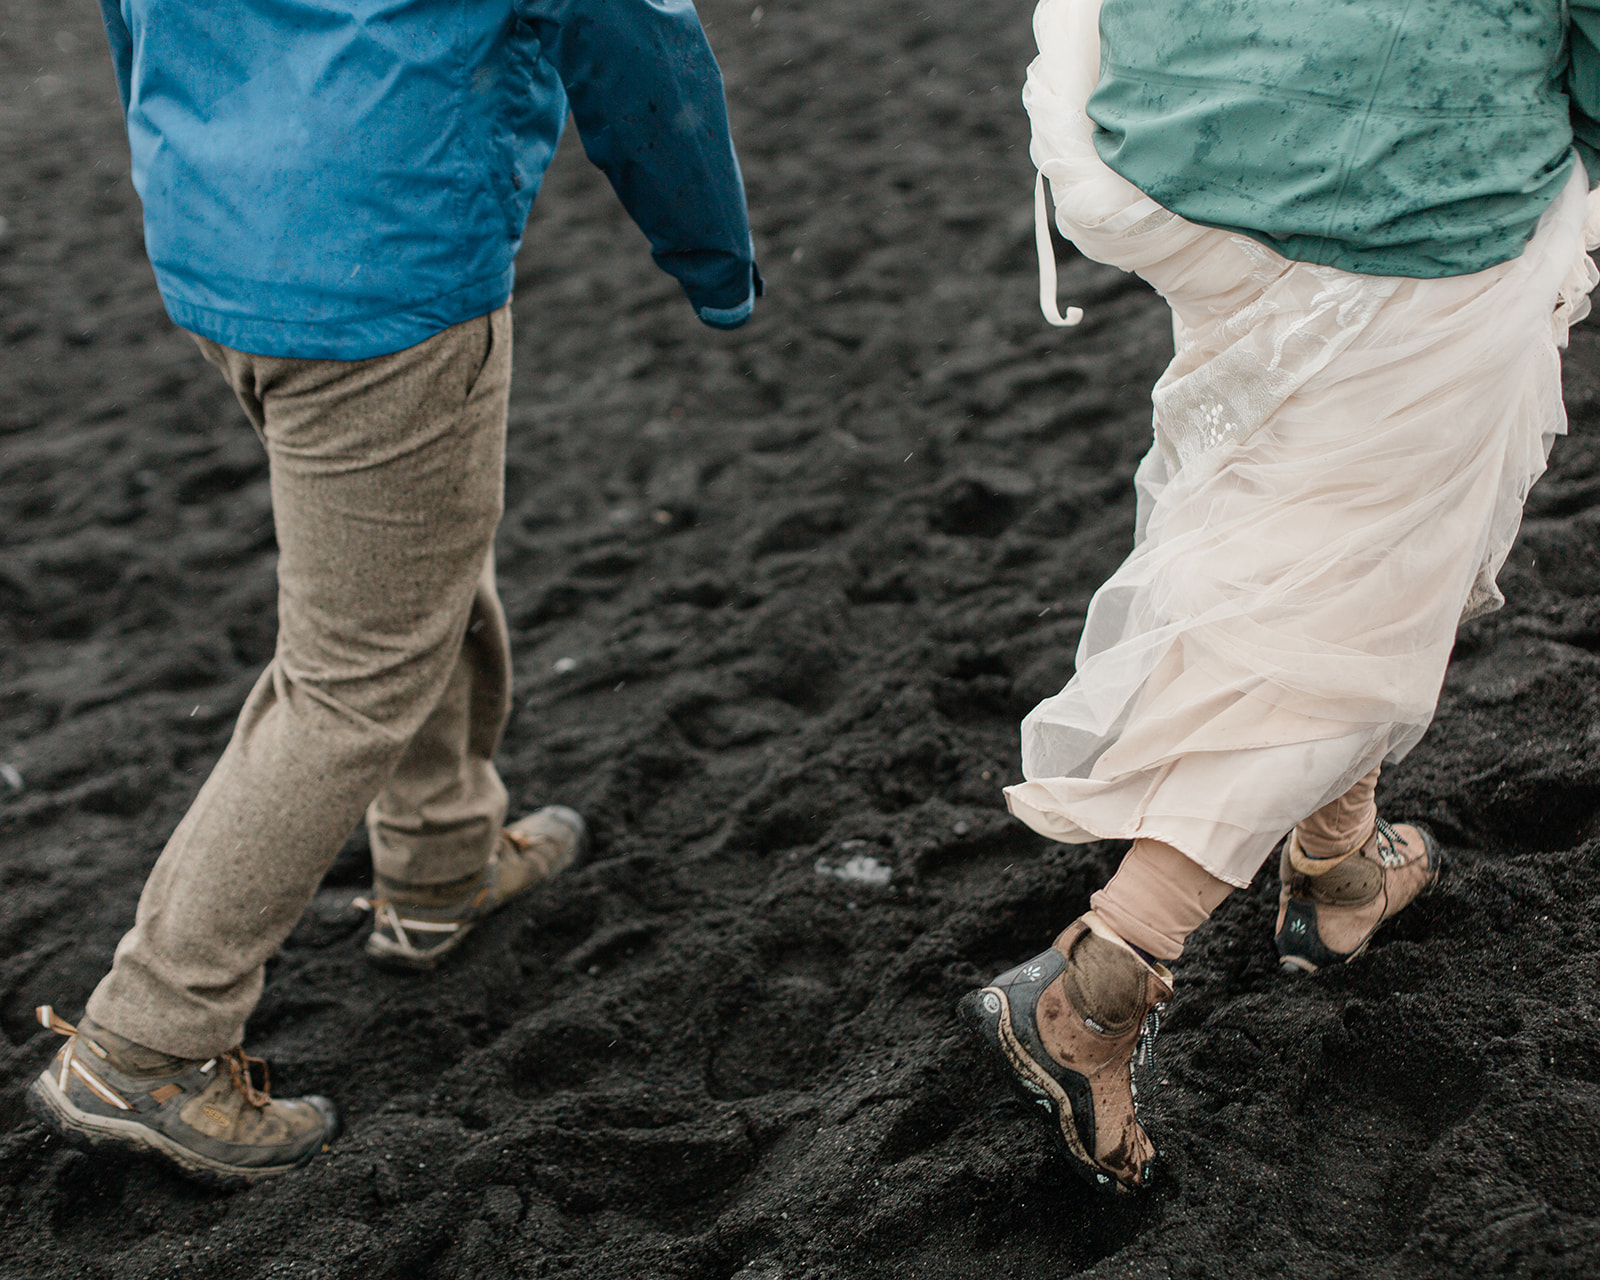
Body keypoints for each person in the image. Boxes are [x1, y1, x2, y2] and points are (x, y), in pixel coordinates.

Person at [27, 0, 760, 1188]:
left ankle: (438, 861)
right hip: (385, 259)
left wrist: (194, 167)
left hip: (223, 231)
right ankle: (146, 1039)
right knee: (351, 670)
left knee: (411, 567)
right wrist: (711, 250)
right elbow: (634, 33)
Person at [961, 0, 1600, 1195]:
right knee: (1366, 570)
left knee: (1333, 521)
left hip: (1180, 136)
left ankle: (1338, 867)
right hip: (1408, 177)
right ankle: (1101, 974)